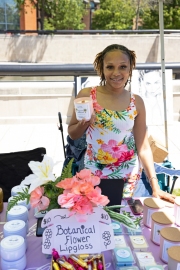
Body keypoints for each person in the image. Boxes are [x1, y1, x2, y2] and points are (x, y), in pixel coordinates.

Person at [68, 44, 175, 205]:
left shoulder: (137, 102)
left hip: (128, 175)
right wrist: (83, 124)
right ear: (101, 68)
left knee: (123, 219)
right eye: (110, 67)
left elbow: (143, 147)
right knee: (97, 217)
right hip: (94, 172)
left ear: (130, 69)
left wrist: (155, 186)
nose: (116, 73)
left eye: (123, 67)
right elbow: (72, 133)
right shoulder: (86, 95)